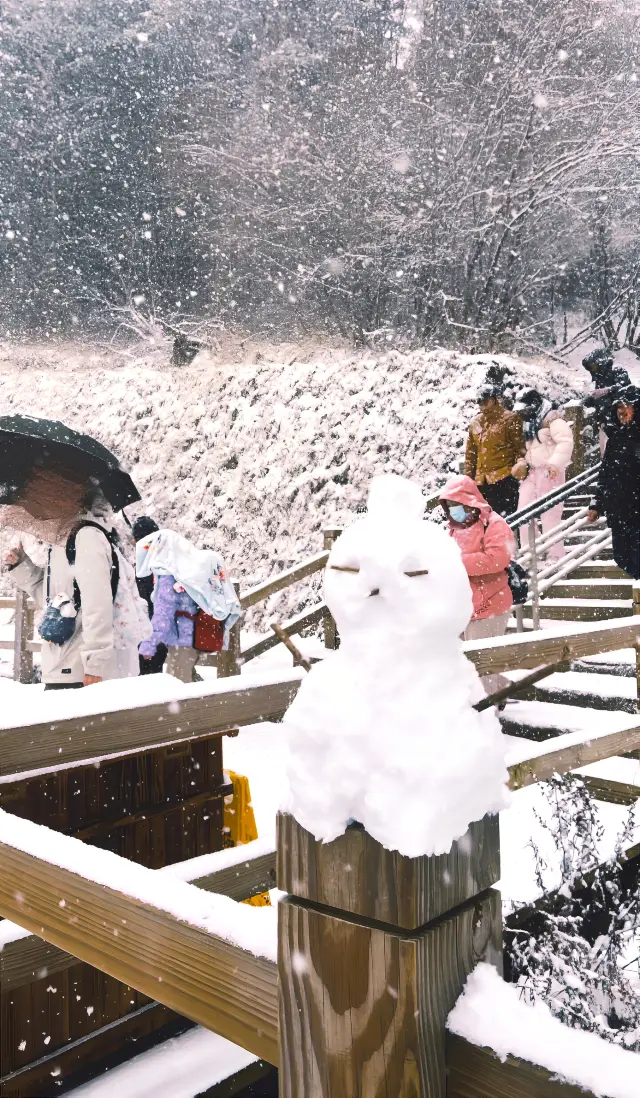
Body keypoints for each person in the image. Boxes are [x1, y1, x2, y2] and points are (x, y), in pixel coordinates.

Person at [4, 486, 150, 689]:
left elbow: (97, 606)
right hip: (61, 667)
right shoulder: (60, 541)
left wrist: (94, 665)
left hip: (81, 673)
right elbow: (56, 603)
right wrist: (22, 567)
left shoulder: (87, 538)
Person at [440, 475, 516, 696]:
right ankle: (500, 693)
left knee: (483, 662)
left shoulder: (494, 523)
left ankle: (490, 706)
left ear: (470, 501)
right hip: (465, 605)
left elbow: (498, 558)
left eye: (458, 505)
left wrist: (457, 562)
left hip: (491, 602)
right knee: (468, 662)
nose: (455, 511)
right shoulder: (454, 528)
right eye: (450, 506)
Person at [136, 529, 240, 683]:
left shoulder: (168, 574)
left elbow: (163, 613)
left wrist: (148, 645)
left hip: (182, 641)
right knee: (187, 684)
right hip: (197, 636)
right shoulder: (186, 570)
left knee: (178, 690)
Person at [515, 389, 574, 560]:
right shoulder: (528, 423)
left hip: (551, 471)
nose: (523, 413)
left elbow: (565, 441)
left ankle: (555, 555)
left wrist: (554, 463)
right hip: (532, 471)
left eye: (525, 409)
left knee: (550, 515)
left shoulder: (552, 418)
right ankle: (530, 551)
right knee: (523, 512)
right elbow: (528, 448)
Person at [588, 387, 640, 579]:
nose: (621, 411)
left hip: (637, 512)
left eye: (626, 406)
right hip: (620, 512)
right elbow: (606, 473)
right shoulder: (616, 438)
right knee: (621, 557)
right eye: (619, 407)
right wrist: (596, 504)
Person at [464, 384, 526, 517]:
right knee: (486, 523)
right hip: (481, 482)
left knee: (507, 521)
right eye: (479, 402)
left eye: (485, 401)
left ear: (495, 400)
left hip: (504, 479)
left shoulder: (510, 419)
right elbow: (470, 455)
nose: (482, 406)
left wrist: (517, 470)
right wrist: (468, 481)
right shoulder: (475, 423)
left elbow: (519, 449)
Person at [131, 515, 167, 676]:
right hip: (163, 631)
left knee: (146, 677)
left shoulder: (142, 567)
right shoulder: (166, 561)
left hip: (147, 632)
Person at [582, 348, 631, 453]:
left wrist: (607, 390)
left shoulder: (618, 372)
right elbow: (597, 400)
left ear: (601, 362)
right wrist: (584, 402)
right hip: (606, 426)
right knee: (608, 454)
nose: (593, 369)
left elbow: (624, 389)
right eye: (590, 367)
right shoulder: (598, 381)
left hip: (623, 424)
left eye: (594, 365)